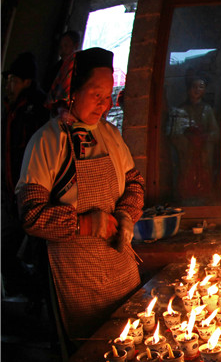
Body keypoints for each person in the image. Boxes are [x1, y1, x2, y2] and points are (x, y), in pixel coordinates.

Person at [17, 47, 144, 341]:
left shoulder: (110, 134)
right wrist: (86, 224)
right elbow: (31, 215)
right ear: (73, 90)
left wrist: (126, 215)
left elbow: (134, 183)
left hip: (122, 271)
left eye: (109, 94)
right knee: (95, 360)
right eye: (95, 93)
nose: (105, 103)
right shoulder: (47, 142)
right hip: (78, 279)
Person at [2, 52, 50, 297]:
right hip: (12, 194)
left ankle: (38, 301)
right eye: (8, 80)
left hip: (34, 196)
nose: (8, 85)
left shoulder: (38, 110)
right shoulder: (11, 110)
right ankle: (29, 295)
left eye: (13, 80)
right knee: (8, 250)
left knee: (39, 252)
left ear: (27, 82)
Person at [166, 75, 219, 204]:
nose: (197, 90)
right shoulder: (181, 109)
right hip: (187, 152)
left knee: (204, 174)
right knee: (186, 174)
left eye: (201, 87)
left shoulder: (207, 110)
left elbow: (215, 132)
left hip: (203, 151)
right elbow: (174, 133)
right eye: (194, 87)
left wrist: (204, 138)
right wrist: (188, 140)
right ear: (189, 89)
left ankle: (205, 197)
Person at [44, 29, 80, 108]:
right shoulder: (55, 69)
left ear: (76, 46)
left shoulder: (80, 68)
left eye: (66, 45)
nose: (62, 50)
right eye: (61, 46)